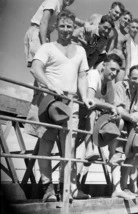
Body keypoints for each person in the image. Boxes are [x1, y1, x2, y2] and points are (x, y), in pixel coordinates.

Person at [24, 10, 94, 202]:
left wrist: (85, 96)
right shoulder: (47, 47)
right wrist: (50, 85)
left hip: (71, 103)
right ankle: (48, 189)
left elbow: (82, 76)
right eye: (62, 26)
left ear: (74, 29)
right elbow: (35, 68)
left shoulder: (80, 50)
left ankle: (67, 190)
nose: (65, 30)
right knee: (45, 146)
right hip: (49, 101)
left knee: (68, 150)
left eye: (68, 27)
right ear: (57, 27)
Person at [75, 53, 122, 187]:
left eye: (117, 71)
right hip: (79, 113)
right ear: (103, 66)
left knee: (115, 121)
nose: (114, 73)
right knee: (80, 151)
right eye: (112, 69)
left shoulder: (110, 84)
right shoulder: (94, 74)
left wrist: (112, 113)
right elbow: (90, 99)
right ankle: (93, 149)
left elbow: (111, 106)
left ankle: (111, 156)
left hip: (91, 120)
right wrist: (110, 107)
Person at [114, 64, 138, 199]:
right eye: (134, 78)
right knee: (118, 156)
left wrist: (137, 119)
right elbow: (118, 109)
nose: (136, 81)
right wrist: (132, 117)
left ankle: (127, 187)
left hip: (130, 123)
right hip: (116, 122)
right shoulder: (119, 86)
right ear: (128, 76)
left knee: (133, 153)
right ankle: (119, 188)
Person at [24, 0, 75, 68]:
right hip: (38, 32)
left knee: (44, 67)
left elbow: (74, 20)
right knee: (42, 66)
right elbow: (44, 21)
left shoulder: (61, 8)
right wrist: (44, 46)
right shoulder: (53, 2)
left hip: (44, 34)